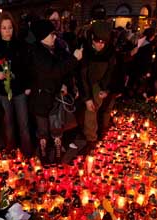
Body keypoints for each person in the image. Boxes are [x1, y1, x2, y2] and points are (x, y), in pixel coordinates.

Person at [29, 19, 83, 163]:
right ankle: (44, 154)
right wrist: (74, 59)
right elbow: (51, 71)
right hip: (41, 97)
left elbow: (64, 71)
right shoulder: (37, 52)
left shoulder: (57, 48)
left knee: (56, 126)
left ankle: (58, 152)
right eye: (51, 34)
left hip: (56, 98)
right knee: (42, 130)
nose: (54, 36)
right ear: (42, 36)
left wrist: (65, 84)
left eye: (54, 33)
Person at [0, 12, 33, 156]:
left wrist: (28, 86)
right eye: (4, 28)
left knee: (23, 123)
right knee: (8, 123)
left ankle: (27, 153)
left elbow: (27, 66)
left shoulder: (20, 44)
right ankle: (11, 151)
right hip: (3, 91)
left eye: (10, 28)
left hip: (19, 90)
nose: (8, 31)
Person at [80, 21, 115, 154]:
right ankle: (85, 132)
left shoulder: (109, 51)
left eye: (103, 42)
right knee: (83, 109)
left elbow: (111, 71)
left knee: (91, 109)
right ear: (91, 38)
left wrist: (105, 89)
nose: (100, 44)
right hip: (83, 82)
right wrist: (86, 97)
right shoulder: (85, 49)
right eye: (97, 41)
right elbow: (81, 75)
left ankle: (91, 141)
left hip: (98, 84)